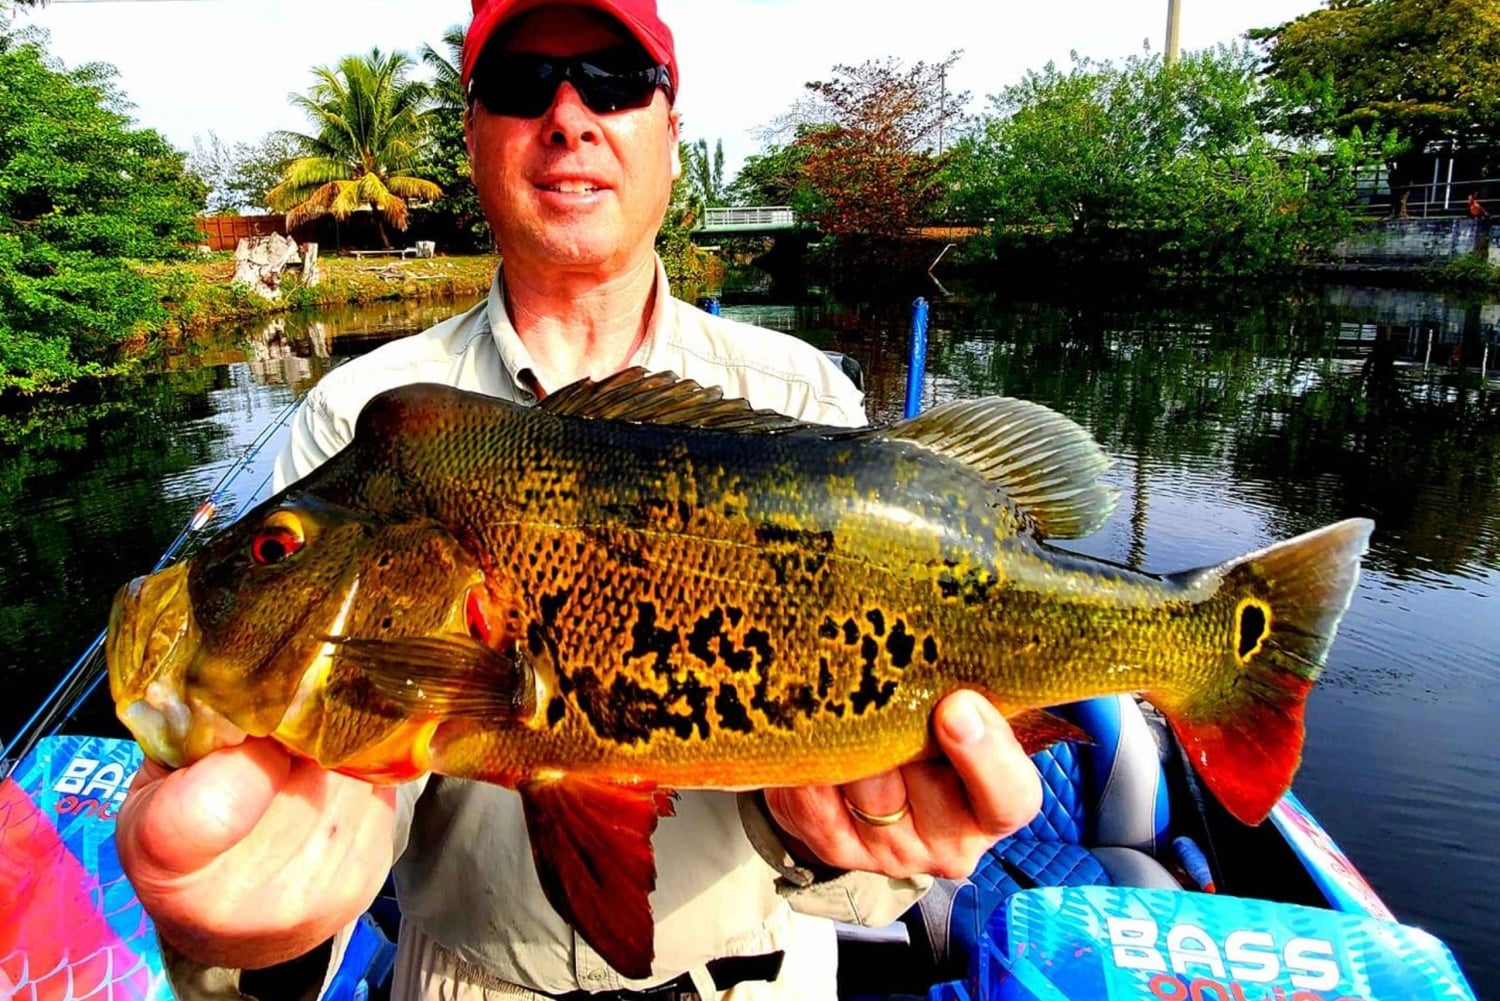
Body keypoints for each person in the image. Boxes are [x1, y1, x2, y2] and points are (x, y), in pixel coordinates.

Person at [115, 1, 1044, 997]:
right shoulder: (355, 418)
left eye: (612, 79)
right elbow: (341, 800)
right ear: (473, 139)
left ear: (672, 136)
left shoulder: (800, 398)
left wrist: (858, 843)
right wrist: (265, 935)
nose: (569, 116)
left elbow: (856, 858)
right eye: (523, 87)